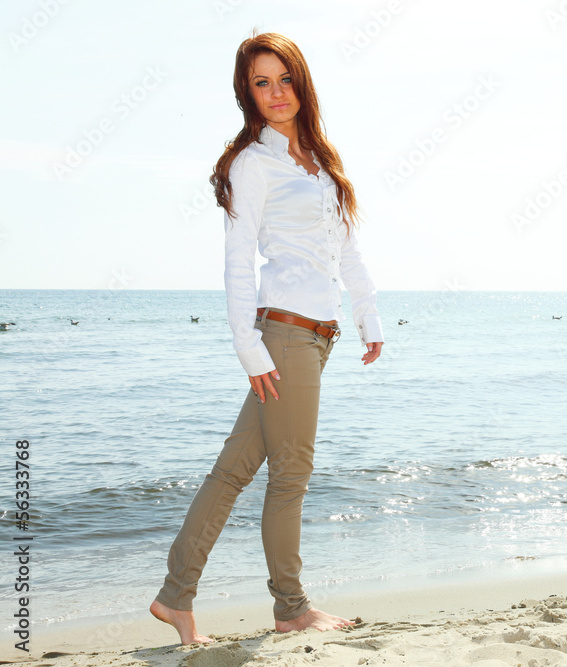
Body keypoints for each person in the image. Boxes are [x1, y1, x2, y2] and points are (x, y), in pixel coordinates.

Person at [149, 31, 384, 645]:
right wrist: (248, 349)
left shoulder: (319, 161)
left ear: (301, 83)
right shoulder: (253, 165)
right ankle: (292, 608)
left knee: (233, 471)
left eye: (284, 79)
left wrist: (368, 314)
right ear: (246, 92)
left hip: (316, 335)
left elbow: (347, 246)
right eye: (261, 82)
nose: (276, 93)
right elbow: (236, 264)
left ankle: (176, 596)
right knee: (291, 475)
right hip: (282, 336)